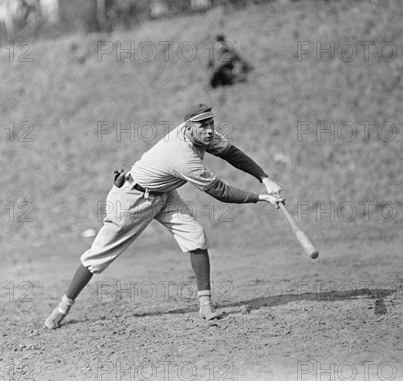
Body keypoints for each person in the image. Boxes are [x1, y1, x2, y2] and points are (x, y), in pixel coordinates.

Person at [44, 104, 283, 329]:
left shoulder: (201, 135)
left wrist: (264, 178)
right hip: (132, 199)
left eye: (211, 123)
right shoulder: (183, 156)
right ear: (188, 128)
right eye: (203, 126)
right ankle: (62, 308)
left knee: (195, 236)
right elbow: (220, 192)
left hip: (164, 194)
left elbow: (232, 153)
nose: (209, 130)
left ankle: (205, 304)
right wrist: (261, 198)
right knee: (98, 256)